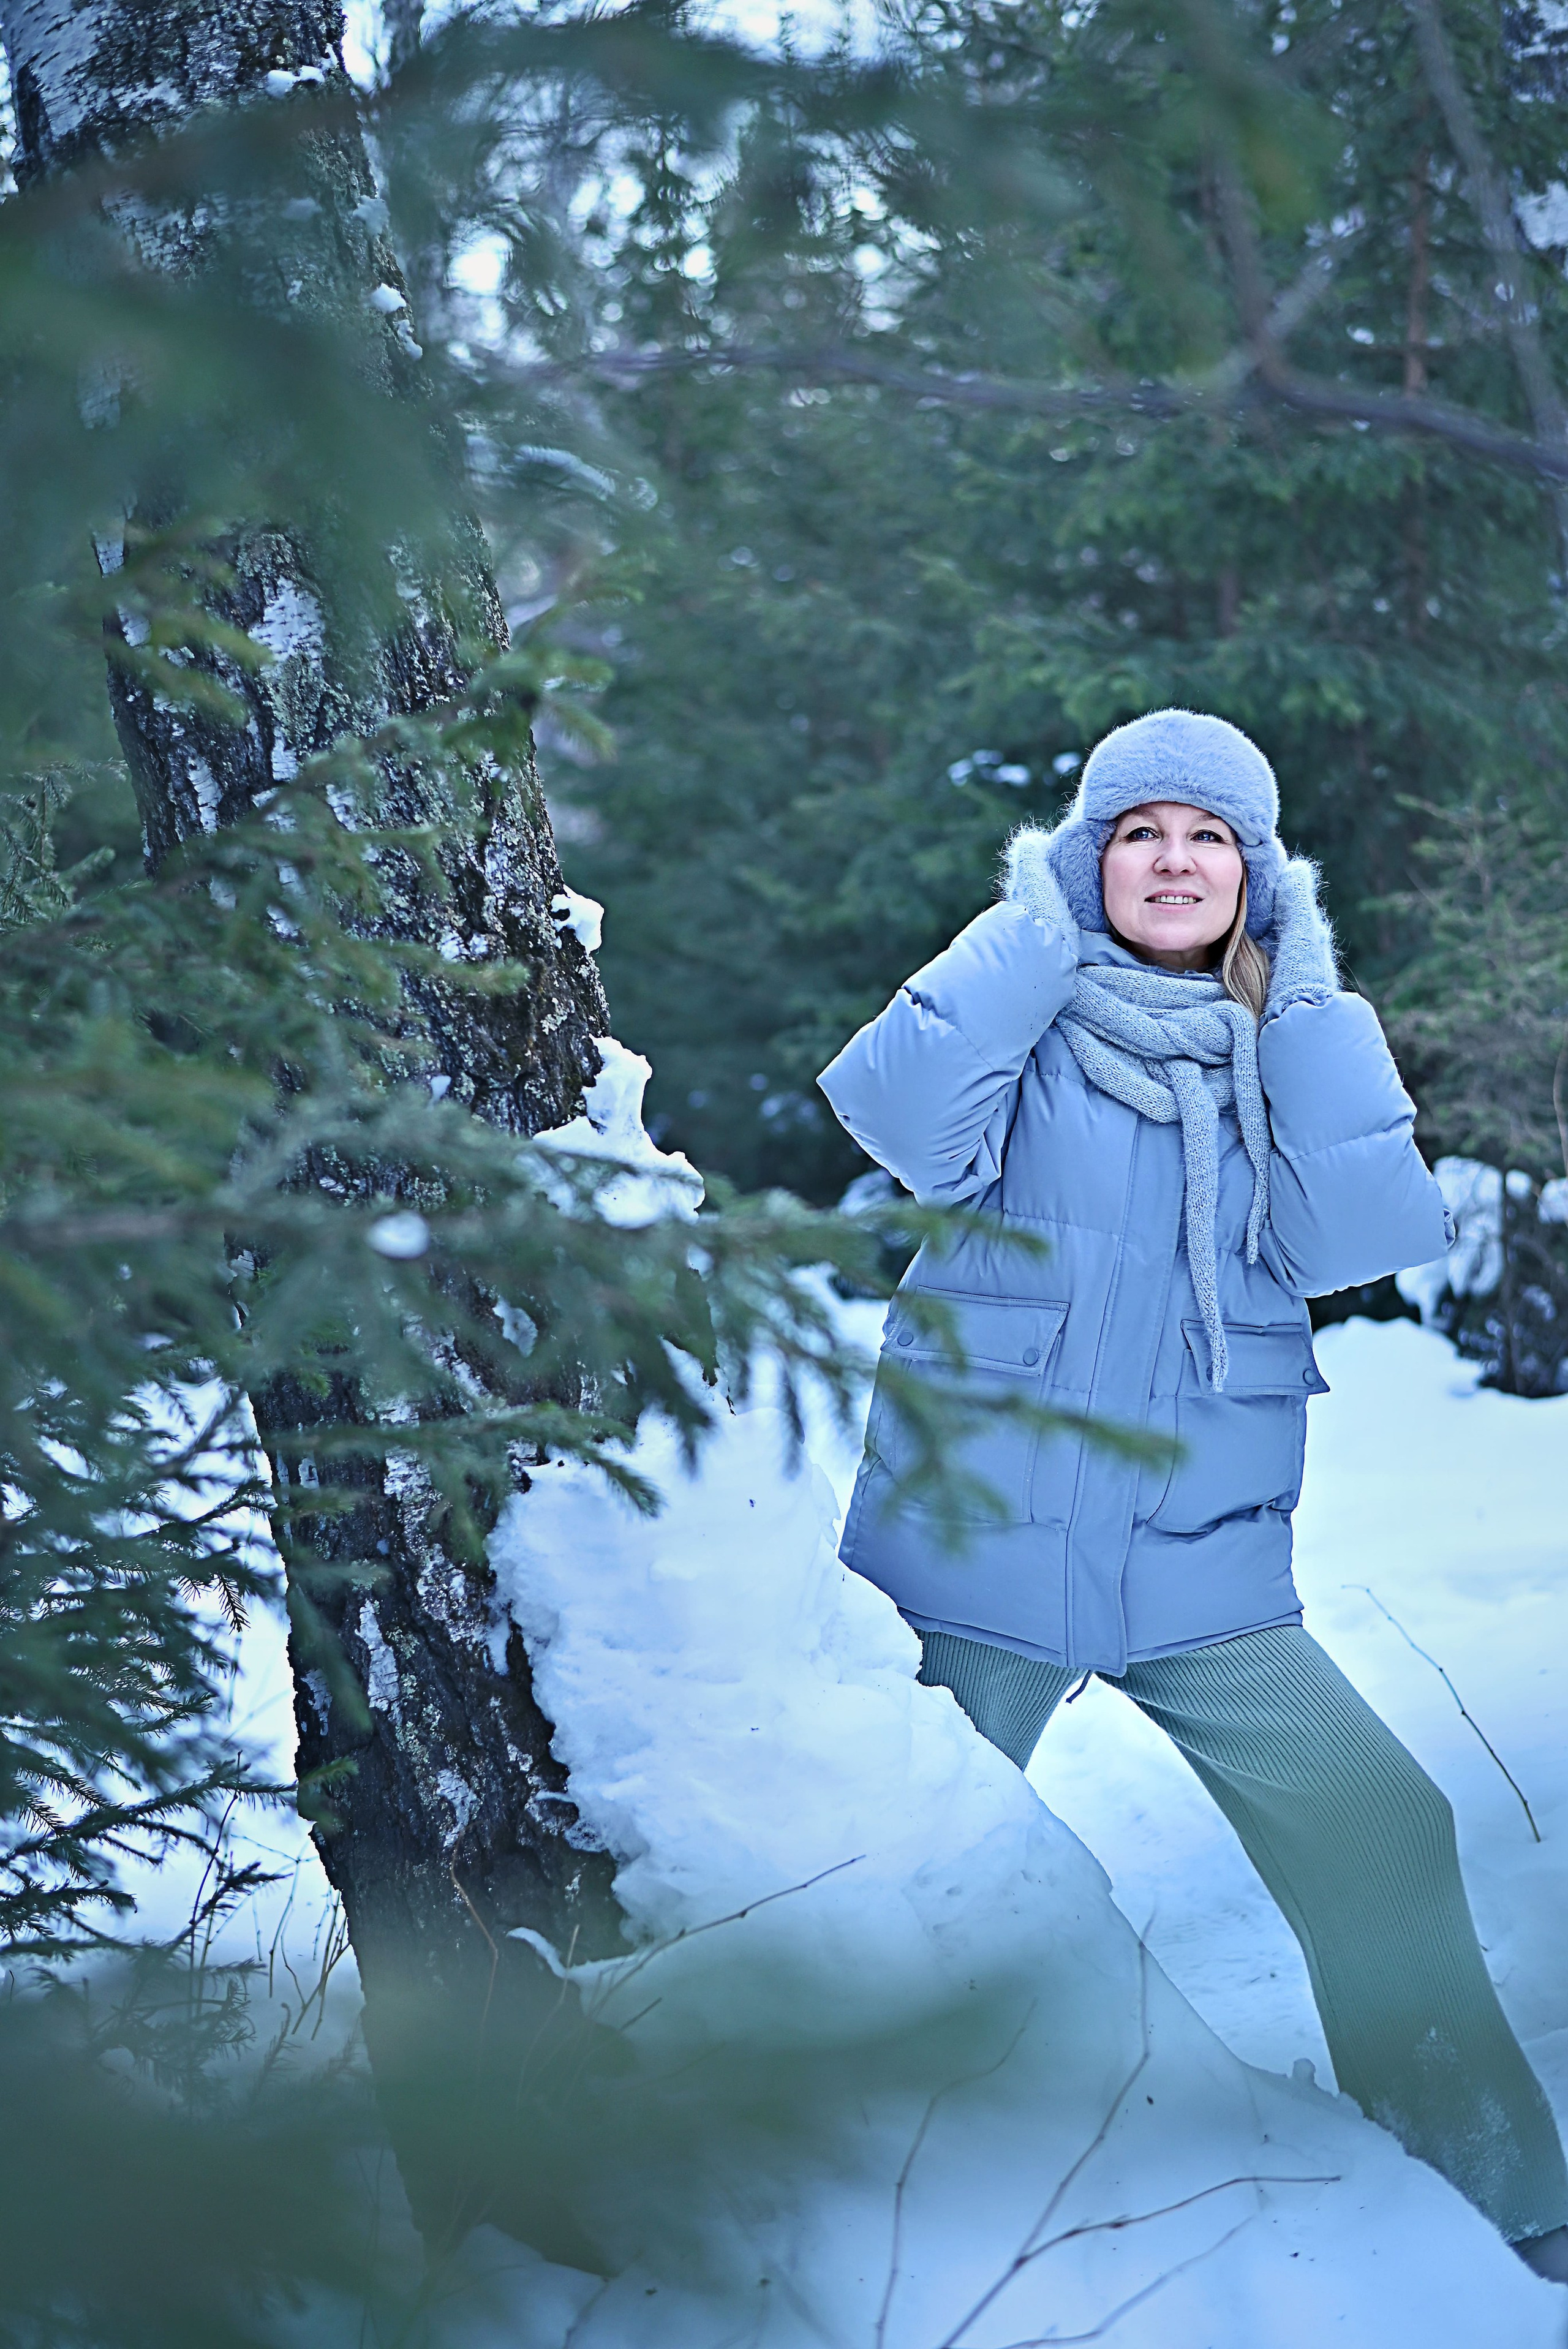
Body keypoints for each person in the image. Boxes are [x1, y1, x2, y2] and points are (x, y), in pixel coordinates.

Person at [818, 707, 1568, 2276]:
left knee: (1382, 1825)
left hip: (1195, 1569)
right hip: (983, 1556)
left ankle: (1508, 2200)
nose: (1174, 858)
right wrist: (1029, 925)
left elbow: (1356, 1232)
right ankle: (781, 2203)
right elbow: (893, 1114)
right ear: (1090, 861)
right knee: (870, 1869)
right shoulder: (1026, 1020)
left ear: (1257, 876)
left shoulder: (1274, 1051)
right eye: (1138, 830)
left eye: (1210, 835)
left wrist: (1301, 1006)